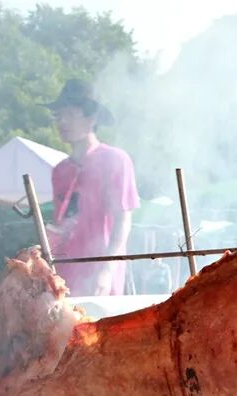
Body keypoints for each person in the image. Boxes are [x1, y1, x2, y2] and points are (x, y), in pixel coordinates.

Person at [44, 79, 139, 295]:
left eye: (70, 114)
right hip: (65, 273)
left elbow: (123, 220)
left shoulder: (115, 160)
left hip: (100, 270)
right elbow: (64, 221)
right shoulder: (60, 171)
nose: (62, 122)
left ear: (92, 118)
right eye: (58, 115)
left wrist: (106, 270)